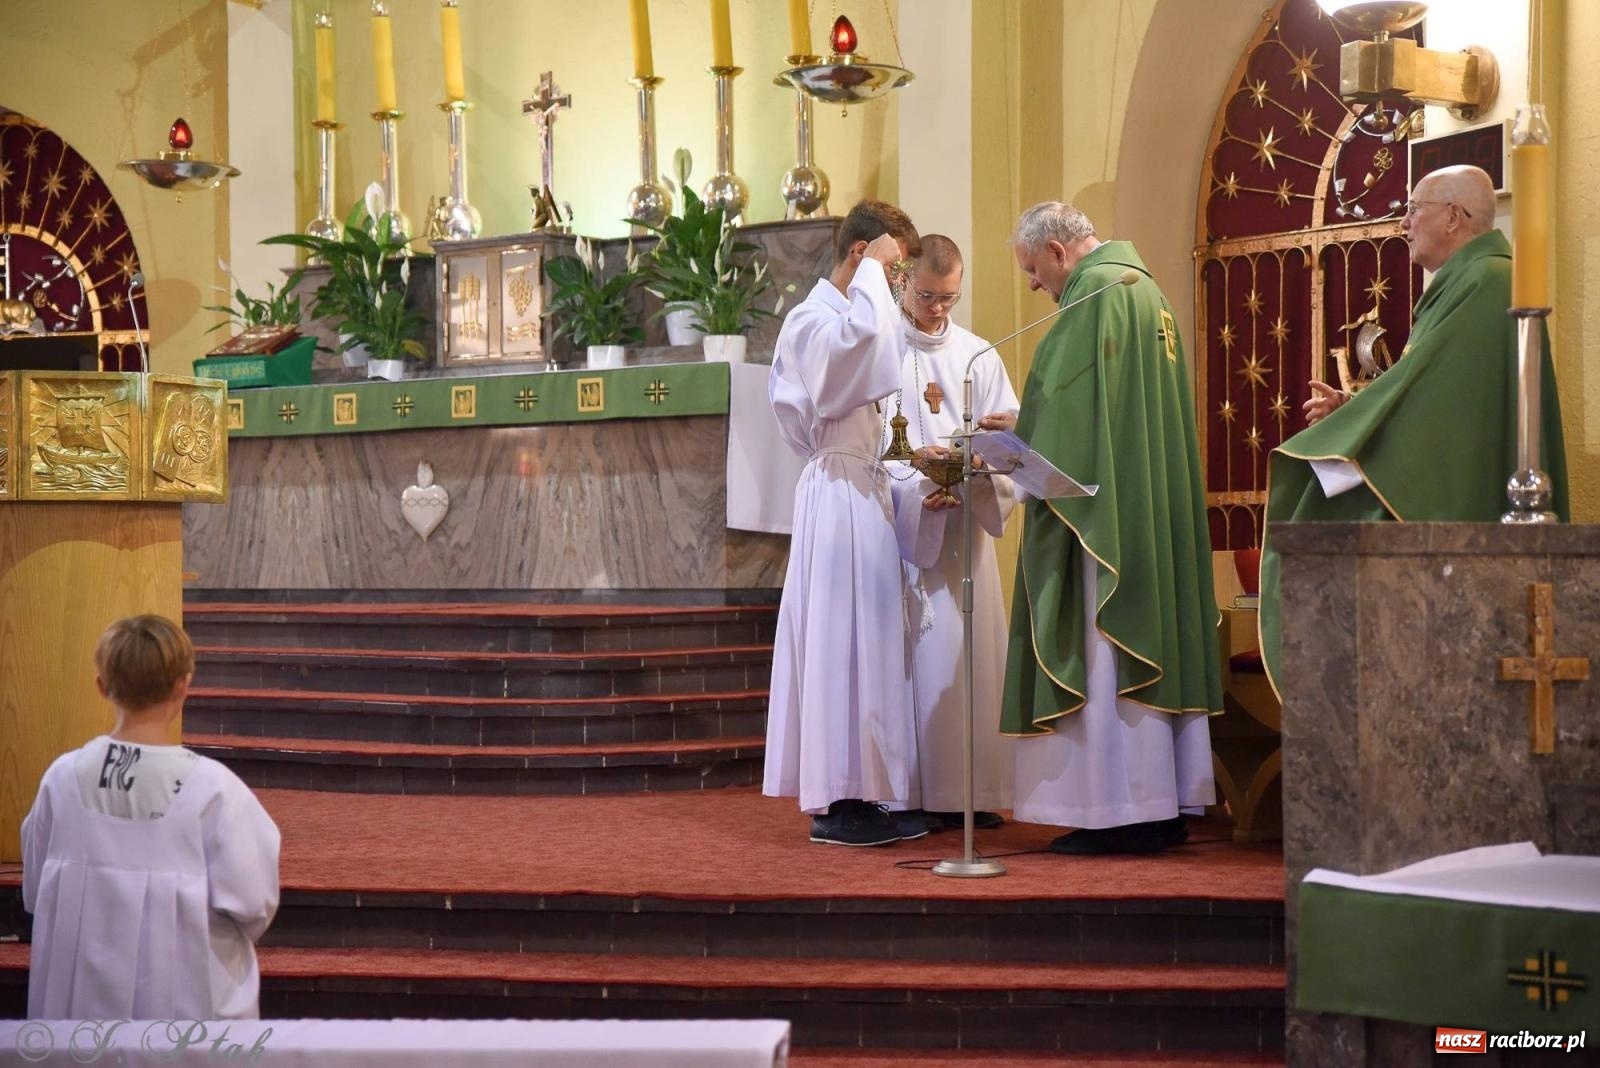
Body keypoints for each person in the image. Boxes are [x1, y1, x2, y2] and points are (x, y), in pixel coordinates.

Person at [1260, 164, 1569, 687]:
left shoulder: (1486, 281)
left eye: (1412, 210)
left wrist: (1353, 437)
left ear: (1453, 216)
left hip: (1467, 524)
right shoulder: (1469, 280)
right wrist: (1354, 412)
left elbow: (1436, 408)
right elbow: (1426, 395)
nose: (1403, 224)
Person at [980, 202, 1223, 855]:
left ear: (1058, 251)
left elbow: (1068, 416)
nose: (1034, 285)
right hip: (1145, 505)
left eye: (1034, 270)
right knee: (1143, 638)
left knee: (1104, 643)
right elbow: (1100, 407)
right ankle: (1160, 803)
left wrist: (1020, 433)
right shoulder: (1145, 291)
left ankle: (1119, 809)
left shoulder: (1095, 295)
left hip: (1104, 516)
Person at [23, 615, 281, 1019]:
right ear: (184, 683)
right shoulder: (214, 790)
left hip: (79, 1015)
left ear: (102, 686)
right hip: (185, 1016)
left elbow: (38, 889)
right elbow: (253, 905)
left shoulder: (61, 778)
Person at [764, 199, 924, 847]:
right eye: (892, 264)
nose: (895, 281)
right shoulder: (811, 319)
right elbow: (842, 378)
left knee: (870, 641)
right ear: (860, 254)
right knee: (838, 643)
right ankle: (835, 798)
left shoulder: (848, 314)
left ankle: (866, 788)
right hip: (834, 492)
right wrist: (869, 282)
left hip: (862, 488)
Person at [882, 235, 1019, 831]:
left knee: (968, 660)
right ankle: (911, 793)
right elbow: (869, 446)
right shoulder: (881, 349)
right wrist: (914, 484)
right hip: (908, 538)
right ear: (904, 283)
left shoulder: (978, 354)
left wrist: (984, 465)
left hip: (965, 534)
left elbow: (1011, 443)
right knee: (916, 660)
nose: (939, 309)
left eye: (950, 297)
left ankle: (971, 793)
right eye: (928, 296)